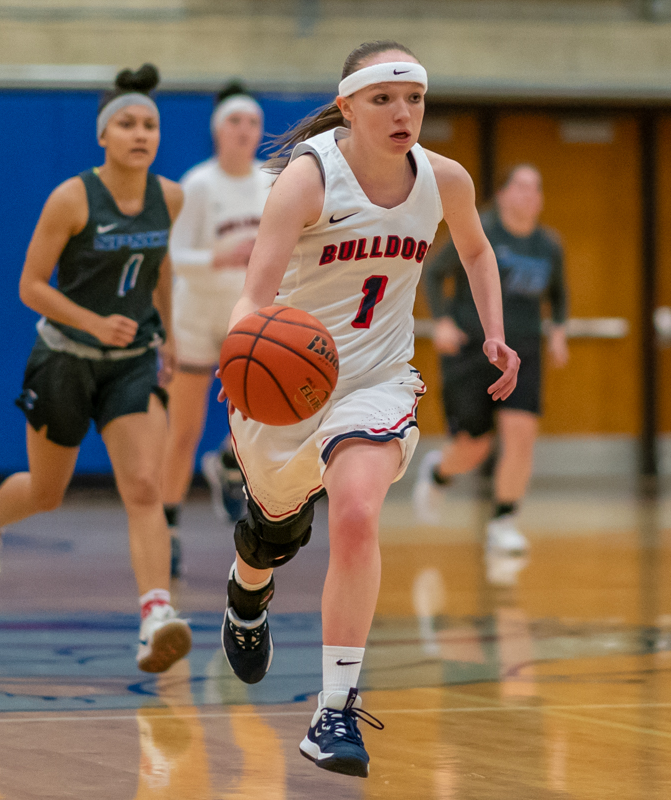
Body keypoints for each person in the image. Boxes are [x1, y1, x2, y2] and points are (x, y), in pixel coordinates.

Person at [216, 41, 518, 778]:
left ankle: (335, 709)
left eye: (413, 98)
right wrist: (238, 350)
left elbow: (477, 253)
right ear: (347, 105)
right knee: (273, 530)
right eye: (384, 99)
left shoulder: (444, 179)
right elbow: (256, 292)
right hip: (288, 380)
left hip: (376, 382)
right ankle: (247, 590)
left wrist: (495, 331)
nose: (403, 113)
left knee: (356, 512)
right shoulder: (308, 179)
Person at [0, 64, 192, 674]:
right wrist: (92, 322)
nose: (141, 134)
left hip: (133, 362)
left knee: (144, 487)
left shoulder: (171, 197)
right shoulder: (71, 198)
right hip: (64, 358)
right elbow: (30, 286)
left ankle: (155, 617)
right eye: (127, 124)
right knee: (46, 493)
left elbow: (160, 267)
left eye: (150, 125)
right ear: (103, 136)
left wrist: (166, 331)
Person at [413, 164, 568, 558]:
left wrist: (559, 332)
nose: (528, 195)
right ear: (502, 195)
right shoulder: (480, 230)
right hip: (474, 348)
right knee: (474, 446)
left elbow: (560, 296)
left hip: (525, 351)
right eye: (520, 186)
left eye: (536, 189)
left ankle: (504, 522)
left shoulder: (549, 245)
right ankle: (438, 473)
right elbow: (434, 274)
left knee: (521, 435)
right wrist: (443, 320)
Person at [160, 80, 272, 577]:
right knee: (182, 431)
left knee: (259, 419)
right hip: (195, 316)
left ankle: (228, 464)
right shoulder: (199, 184)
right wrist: (219, 256)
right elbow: (175, 257)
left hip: (243, 317)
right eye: (234, 122)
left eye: (252, 122)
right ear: (217, 131)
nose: (244, 130)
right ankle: (167, 527)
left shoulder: (271, 183)